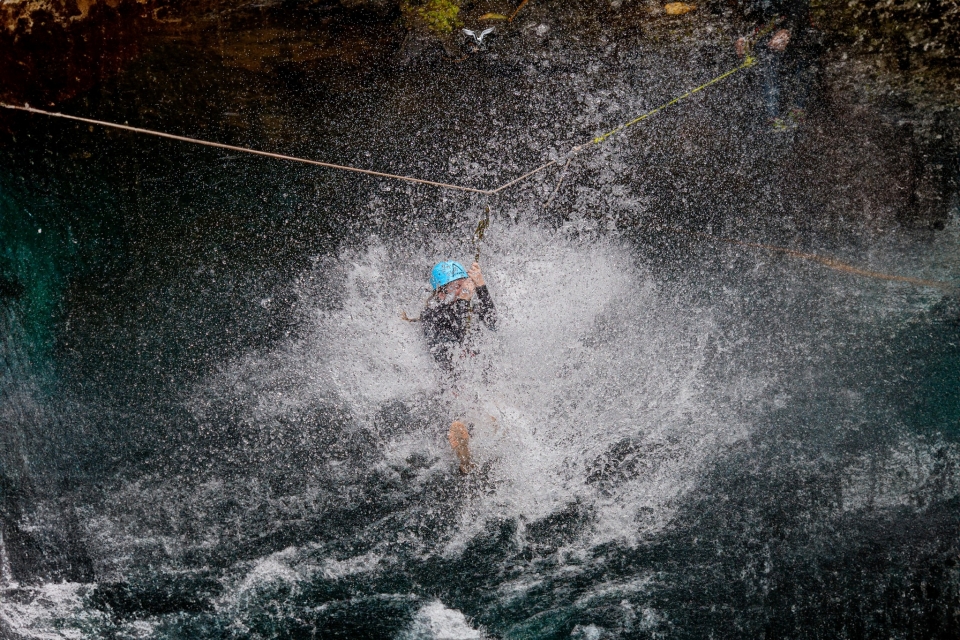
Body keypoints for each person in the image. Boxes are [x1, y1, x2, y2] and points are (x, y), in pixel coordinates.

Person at [417, 260, 497, 474]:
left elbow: (492, 323)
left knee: (489, 414)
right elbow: (460, 332)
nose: (463, 290)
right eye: (456, 286)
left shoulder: (467, 308)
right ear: (441, 294)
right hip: (451, 384)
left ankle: (483, 437)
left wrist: (481, 287)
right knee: (460, 419)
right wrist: (463, 300)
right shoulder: (432, 315)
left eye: (464, 284)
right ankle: (464, 456)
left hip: (474, 381)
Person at [734, 0, 819, 131]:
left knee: (808, 43)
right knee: (766, 53)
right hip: (769, 35)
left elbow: (800, 7)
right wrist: (743, 36)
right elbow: (749, 14)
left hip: (798, 30)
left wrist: (788, 30)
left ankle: (797, 111)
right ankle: (772, 117)